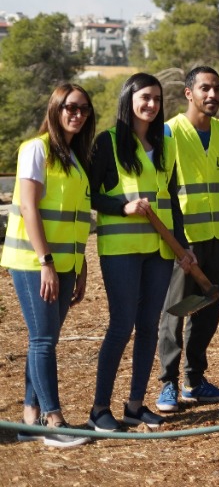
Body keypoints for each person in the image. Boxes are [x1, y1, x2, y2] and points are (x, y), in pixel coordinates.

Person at [89, 73, 195, 432]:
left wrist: (183, 245)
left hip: (160, 251)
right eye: (144, 97)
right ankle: (99, 409)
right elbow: (91, 195)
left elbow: (171, 200)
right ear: (128, 99)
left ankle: (135, 405)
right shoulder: (107, 142)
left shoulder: (165, 144)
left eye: (157, 99)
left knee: (149, 326)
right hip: (121, 249)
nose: (151, 104)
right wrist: (122, 207)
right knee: (121, 326)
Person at [3, 85, 95, 447]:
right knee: (43, 339)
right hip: (34, 261)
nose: (78, 114)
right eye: (70, 107)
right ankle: (53, 421)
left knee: (45, 339)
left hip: (65, 264)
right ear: (55, 109)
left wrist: (81, 264)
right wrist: (45, 262)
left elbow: (74, 217)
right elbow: (29, 207)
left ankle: (30, 418)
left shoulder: (75, 158)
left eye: (84, 109)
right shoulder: (36, 150)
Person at [155, 67, 219, 413]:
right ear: (189, 93)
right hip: (182, 242)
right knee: (175, 313)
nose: (212, 94)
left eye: (216, 88)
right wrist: (177, 242)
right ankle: (168, 384)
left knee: (207, 311)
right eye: (205, 88)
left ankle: (195, 380)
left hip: (215, 238)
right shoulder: (169, 131)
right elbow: (164, 189)